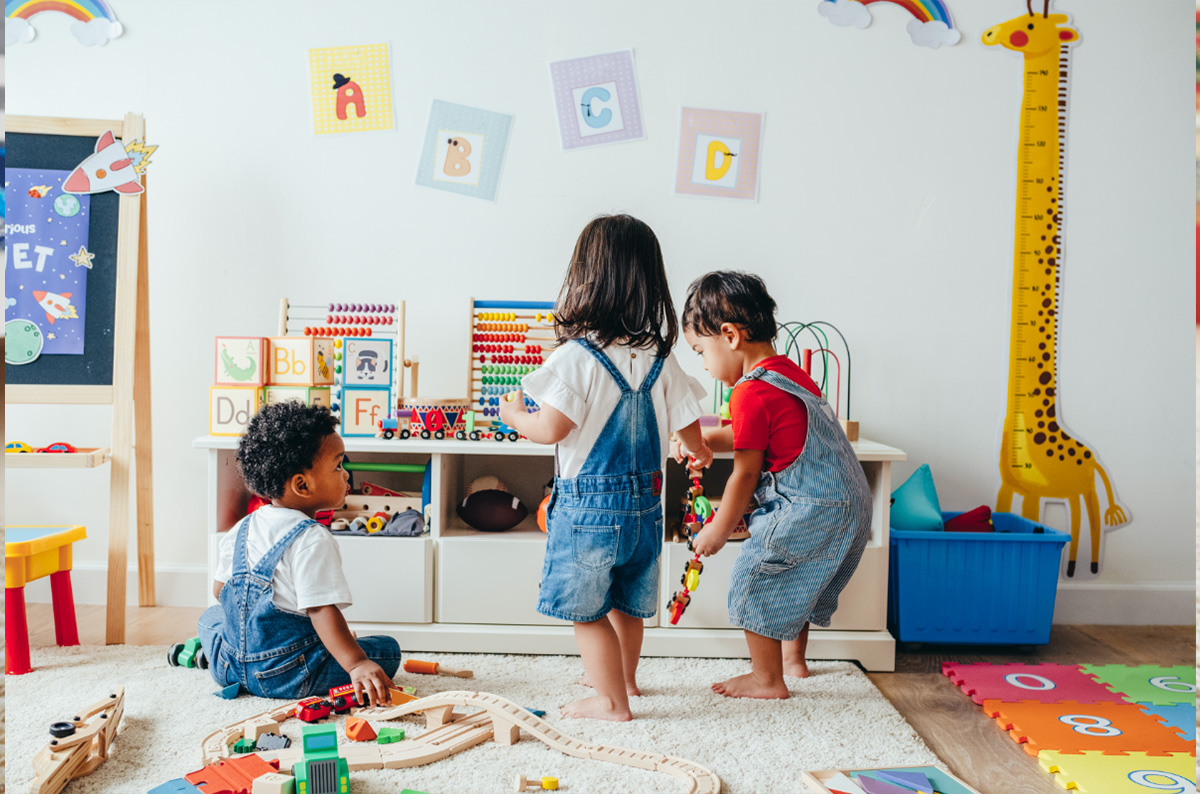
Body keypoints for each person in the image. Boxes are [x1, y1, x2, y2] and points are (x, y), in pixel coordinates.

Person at [500, 213, 712, 721]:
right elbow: (690, 429)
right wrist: (695, 451)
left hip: (590, 511)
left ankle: (611, 701)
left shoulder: (578, 357)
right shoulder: (661, 356)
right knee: (626, 602)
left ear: (586, 280)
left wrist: (514, 416)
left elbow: (551, 428)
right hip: (646, 507)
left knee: (587, 611)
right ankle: (627, 681)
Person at [676, 271, 872, 699]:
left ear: (729, 336)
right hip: (850, 501)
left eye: (700, 352)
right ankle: (793, 661)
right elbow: (758, 433)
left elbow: (745, 471)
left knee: (756, 576)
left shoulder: (747, 393)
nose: (704, 366)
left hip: (812, 504)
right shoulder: (788, 375)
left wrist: (719, 528)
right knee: (795, 578)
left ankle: (767, 680)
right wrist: (706, 439)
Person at [197, 401, 400, 705]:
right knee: (387, 651)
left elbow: (219, 592)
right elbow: (321, 611)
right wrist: (356, 663)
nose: (346, 475)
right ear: (302, 485)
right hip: (289, 674)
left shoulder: (243, 527)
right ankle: (343, 660)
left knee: (210, 618)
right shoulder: (311, 538)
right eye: (338, 465)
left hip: (231, 666)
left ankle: (214, 658)